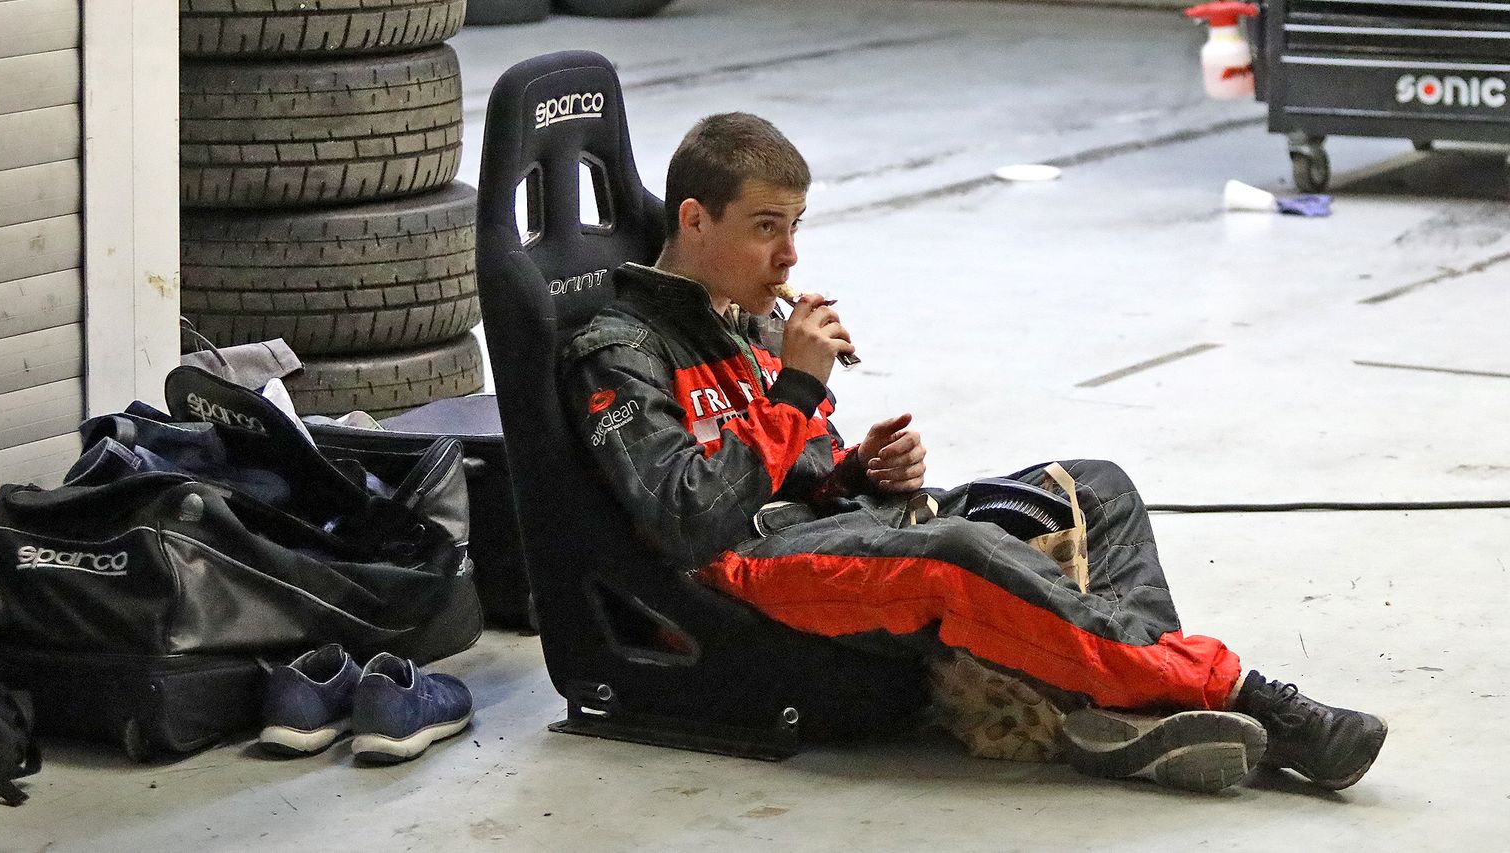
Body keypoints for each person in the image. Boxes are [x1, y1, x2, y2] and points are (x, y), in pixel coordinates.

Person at [559, 112, 1386, 793]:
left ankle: (1133, 713)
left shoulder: (754, 319)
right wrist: (798, 393)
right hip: (748, 567)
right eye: (766, 228)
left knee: (1093, 486)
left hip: (836, 528)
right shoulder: (620, 346)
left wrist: (859, 468)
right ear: (696, 219)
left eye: (796, 226)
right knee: (959, 555)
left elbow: (799, 463)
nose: (791, 255)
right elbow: (686, 519)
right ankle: (1249, 697)